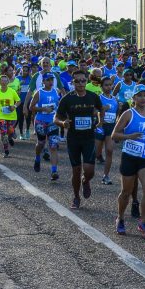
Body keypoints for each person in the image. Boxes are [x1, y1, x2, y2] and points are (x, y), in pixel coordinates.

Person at [112, 84, 145, 237]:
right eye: (139, 95)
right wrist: (129, 136)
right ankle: (120, 218)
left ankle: (143, 222)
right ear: (133, 98)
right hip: (129, 156)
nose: (143, 98)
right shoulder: (128, 114)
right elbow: (115, 135)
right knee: (126, 192)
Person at [54, 70, 102, 209]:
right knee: (76, 170)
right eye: (77, 81)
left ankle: (86, 181)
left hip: (88, 137)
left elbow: (100, 109)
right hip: (73, 139)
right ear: (72, 82)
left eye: (83, 81)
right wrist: (63, 124)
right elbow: (56, 118)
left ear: (86, 81)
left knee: (89, 170)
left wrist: (100, 121)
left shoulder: (93, 97)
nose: (81, 83)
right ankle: (76, 197)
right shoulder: (67, 99)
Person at [30, 73, 61, 180]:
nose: (50, 82)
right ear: (43, 81)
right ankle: (37, 158)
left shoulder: (55, 92)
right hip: (41, 122)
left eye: (51, 80)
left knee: (53, 146)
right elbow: (31, 107)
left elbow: (57, 105)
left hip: (53, 122)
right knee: (41, 143)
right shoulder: (39, 93)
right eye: (48, 80)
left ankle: (54, 171)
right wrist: (43, 109)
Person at [95, 77, 118, 185]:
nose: (109, 87)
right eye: (106, 85)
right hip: (100, 126)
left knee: (109, 150)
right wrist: (103, 108)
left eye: (110, 85)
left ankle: (106, 175)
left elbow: (117, 115)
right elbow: (93, 112)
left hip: (111, 127)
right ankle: (98, 156)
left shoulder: (115, 99)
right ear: (101, 87)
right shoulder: (98, 98)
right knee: (96, 152)